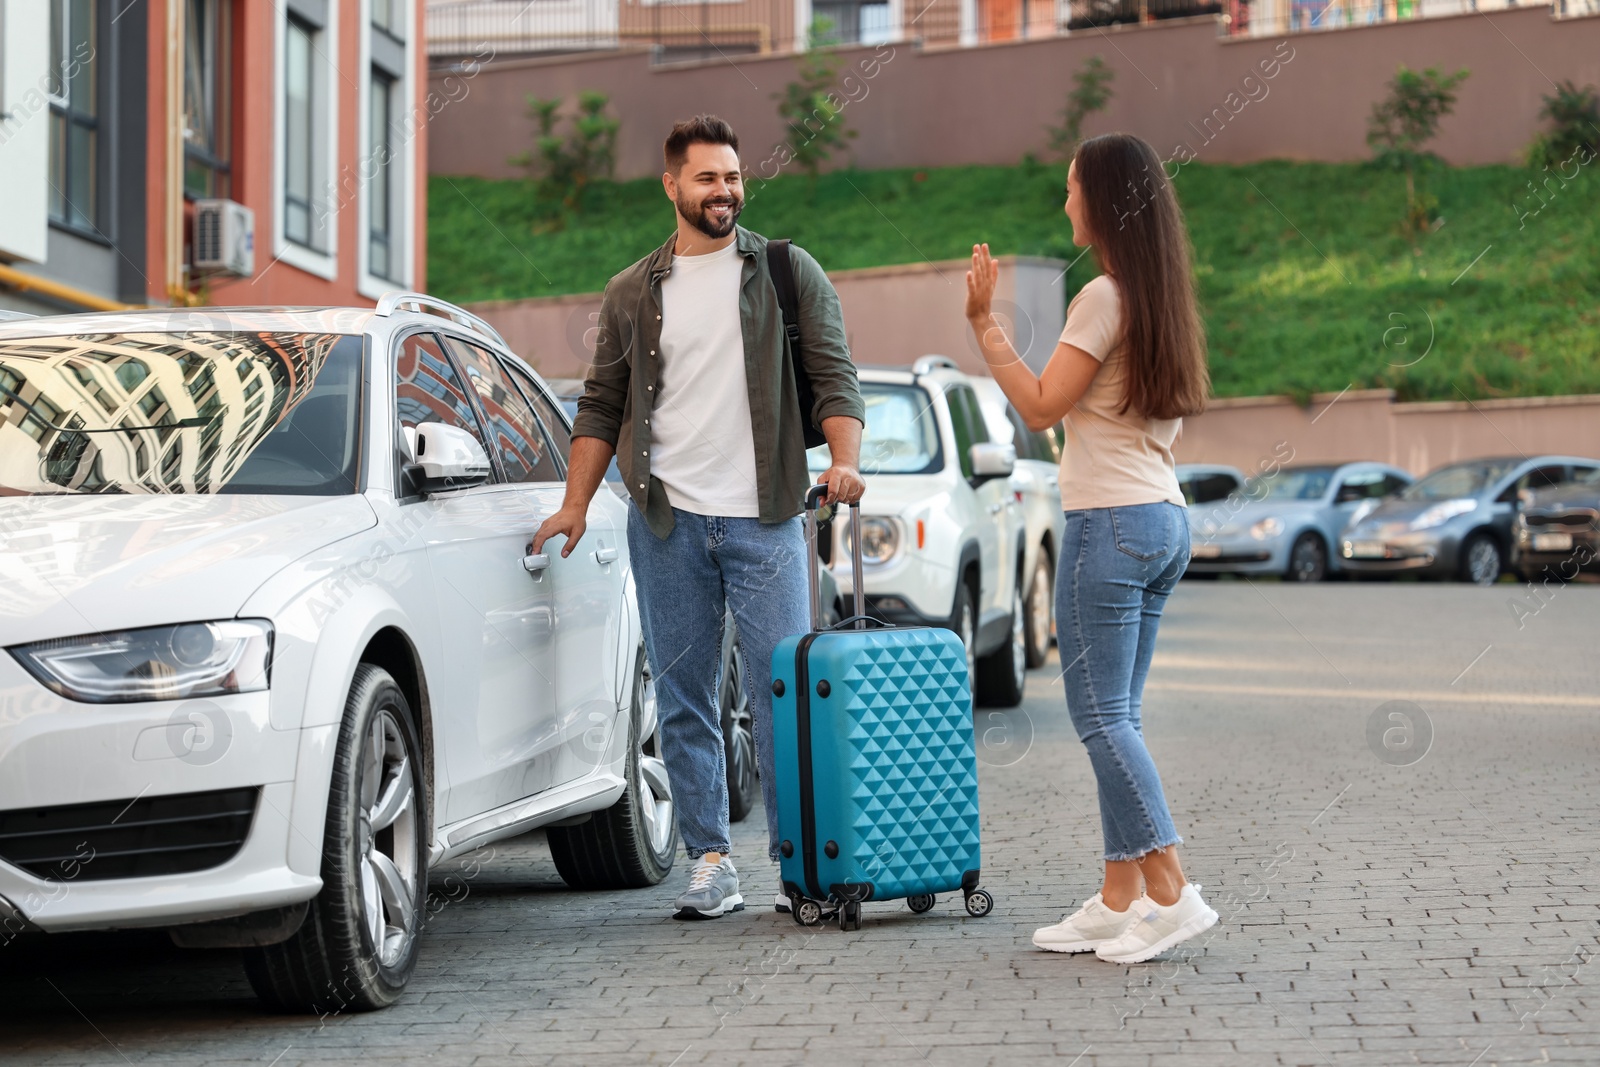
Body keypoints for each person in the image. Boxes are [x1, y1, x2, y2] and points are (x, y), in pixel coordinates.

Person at [532, 114, 866, 920]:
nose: (725, 191)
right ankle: (711, 860)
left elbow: (833, 374)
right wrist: (575, 502)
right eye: (708, 178)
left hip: (767, 517)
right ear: (672, 186)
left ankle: (800, 866)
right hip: (667, 522)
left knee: (781, 691)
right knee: (683, 698)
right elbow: (602, 404)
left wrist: (845, 459)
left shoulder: (787, 271)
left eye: (733, 177)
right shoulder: (631, 293)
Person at [963, 132, 1219, 964]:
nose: (1064, 200)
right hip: (1161, 519)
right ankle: (1119, 895)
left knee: (1100, 717)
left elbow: (1040, 408)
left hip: (1108, 521)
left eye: (1072, 187)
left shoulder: (1104, 298)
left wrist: (983, 326)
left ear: (1104, 200)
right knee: (1122, 715)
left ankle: (1172, 892)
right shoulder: (1161, 300)